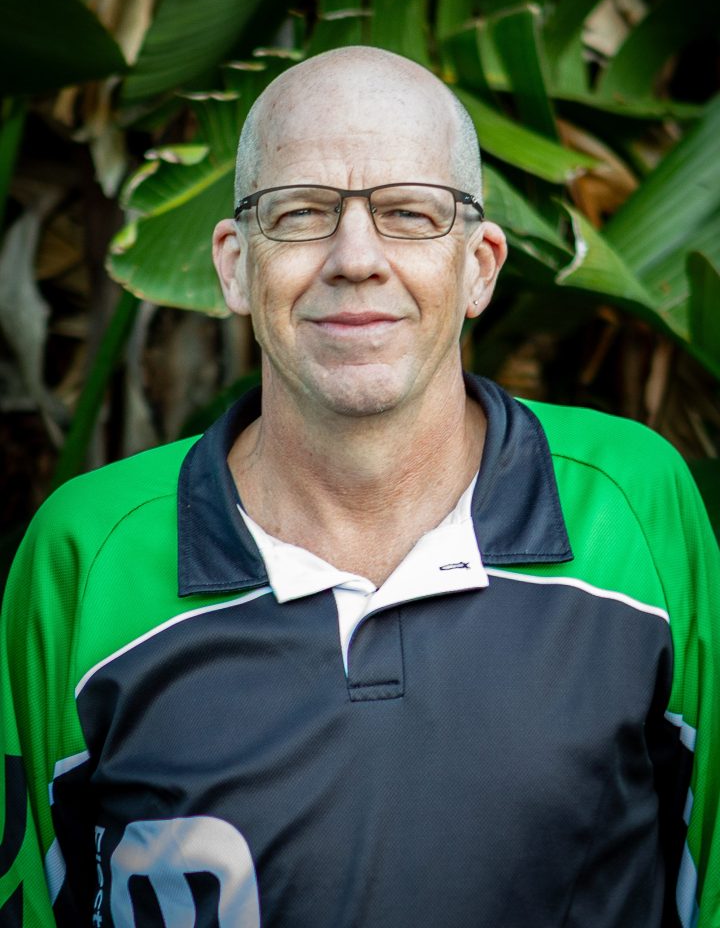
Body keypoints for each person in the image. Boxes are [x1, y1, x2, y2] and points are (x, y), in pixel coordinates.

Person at [1, 46, 718, 928]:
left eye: (409, 214)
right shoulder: (86, 552)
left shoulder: (634, 508)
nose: (355, 257)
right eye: (300, 212)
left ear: (481, 265)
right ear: (233, 263)